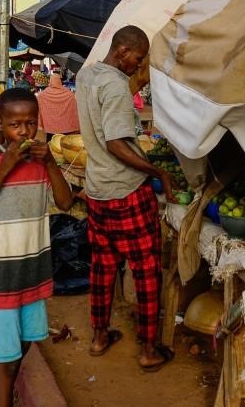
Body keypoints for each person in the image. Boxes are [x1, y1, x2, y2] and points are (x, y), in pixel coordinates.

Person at [76, 25, 177, 372]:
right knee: (147, 269)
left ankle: (99, 336)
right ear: (122, 51)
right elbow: (116, 143)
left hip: (97, 191)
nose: (139, 64)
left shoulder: (86, 76)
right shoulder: (116, 85)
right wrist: (158, 172)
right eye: (138, 57)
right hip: (126, 191)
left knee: (103, 267)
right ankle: (149, 349)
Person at [0, 88, 74, 407]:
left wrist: (52, 162)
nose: (24, 132)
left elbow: (66, 202)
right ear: (1, 125)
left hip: (32, 274)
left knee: (22, 350)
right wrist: (5, 167)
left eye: (30, 123)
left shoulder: (41, 161)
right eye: (15, 124)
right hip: (0, 278)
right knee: (7, 362)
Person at [36, 72, 79, 138]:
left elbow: (39, 109)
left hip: (50, 129)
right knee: (65, 145)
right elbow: (74, 110)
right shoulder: (69, 94)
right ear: (60, 81)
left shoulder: (43, 95)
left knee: (51, 145)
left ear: (50, 81)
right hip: (66, 128)